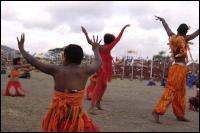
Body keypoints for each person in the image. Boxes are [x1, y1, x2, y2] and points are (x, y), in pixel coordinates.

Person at [17, 32, 101, 132]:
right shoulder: (85, 71)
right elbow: (98, 61)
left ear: (66, 57)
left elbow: (34, 62)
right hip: (75, 117)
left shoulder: (57, 70)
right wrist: (95, 49)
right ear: (80, 58)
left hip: (58, 117)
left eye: (63, 56)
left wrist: (22, 49)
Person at [152, 16, 199, 123]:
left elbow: (167, 29)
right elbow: (195, 34)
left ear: (178, 30)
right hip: (178, 68)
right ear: (185, 32)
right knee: (172, 90)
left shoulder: (172, 36)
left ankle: (180, 114)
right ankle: (157, 111)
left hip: (179, 68)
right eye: (187, 32)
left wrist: (163, 20)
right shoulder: (183, 38)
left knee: (181, 92)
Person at [82, 24, 130, 114]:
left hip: (101, 67)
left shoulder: (99, 47)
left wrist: (86, 34)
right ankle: (92, 107)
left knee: (103, 86)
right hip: (103, 69)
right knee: (99, 87)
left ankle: (98, 103)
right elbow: (118, 39)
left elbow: (90, 42)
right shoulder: (108, 47)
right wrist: (123, 29)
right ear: (111, 41)